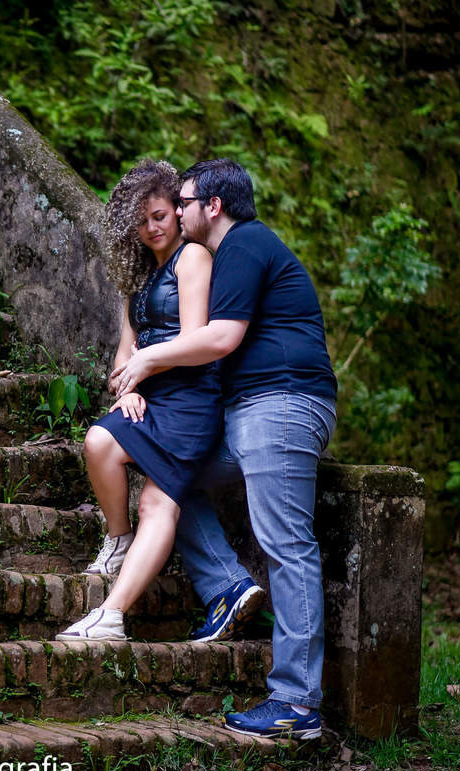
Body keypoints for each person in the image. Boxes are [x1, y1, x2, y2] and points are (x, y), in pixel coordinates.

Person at [112, 158, 338, 740]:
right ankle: (227, 586)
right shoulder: (227, 252)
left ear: (213, 207)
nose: (177, 211)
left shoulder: (245, 244)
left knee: (287, 545)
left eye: (183, 202)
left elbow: (220, 337)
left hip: (282, 405)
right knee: (172, 476)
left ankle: (297, 703)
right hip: (249, 413)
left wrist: (146, 360)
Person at [57, 159, 225, 642]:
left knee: (157, 504)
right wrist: (128, 388)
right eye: (141, 220)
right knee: (99, 442)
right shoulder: (138, 278)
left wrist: (143, 371)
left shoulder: (193, 258)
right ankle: (118, 538)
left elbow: (193, 340)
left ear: (177, 211)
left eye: (159, 216)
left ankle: (111, 616)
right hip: (150, 396)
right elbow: (123, 354)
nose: (151, 228)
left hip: (190, 400)